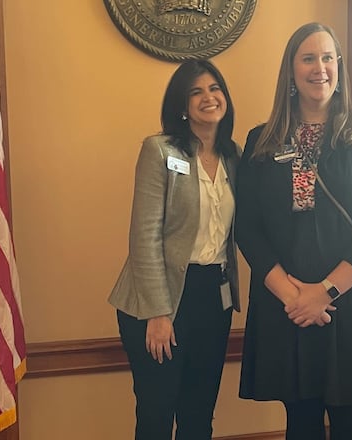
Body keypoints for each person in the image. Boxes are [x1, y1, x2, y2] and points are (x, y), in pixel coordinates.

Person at [235, 22, 352, 440]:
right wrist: (295, 297)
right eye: (308, 58)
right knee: (301, 420)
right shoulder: (262, 140)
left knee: (350, 421)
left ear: (339, 65)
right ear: (291, 71)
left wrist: (324, 292)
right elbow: (248, 228)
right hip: (287, 304)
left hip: (349, 300)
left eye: (328, 57)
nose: (320, 68)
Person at [108, 59, 240, 440]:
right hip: (160, 302)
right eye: (195, 91)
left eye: (214, 88)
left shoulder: (235, 156)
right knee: (156, 414)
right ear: (182, 106)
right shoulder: (159, 150)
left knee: (199, 415)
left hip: (213, 299)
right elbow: (144, 237)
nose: (208, 97)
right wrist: (159, 313)